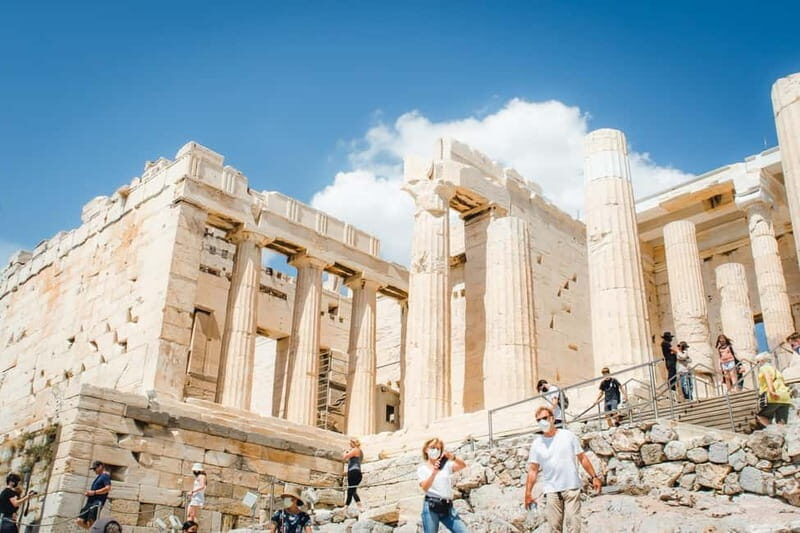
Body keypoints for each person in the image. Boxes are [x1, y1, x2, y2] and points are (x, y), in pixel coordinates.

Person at [524, 406, 602, 533]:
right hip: (551, 491)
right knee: (554, 528)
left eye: (544, 418)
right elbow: (533, 470)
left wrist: (594, 477)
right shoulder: (537, 444)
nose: (542, 422)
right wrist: (528, 493)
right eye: (538, 420)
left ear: (552, 418)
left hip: (571, 488)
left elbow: (582, 458)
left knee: (574, 528)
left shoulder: (568, 436)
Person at [417, 437, 468, 533]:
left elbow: (463, 465)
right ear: (426, 449)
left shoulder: (446, 466)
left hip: (447, 507)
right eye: (432, 447)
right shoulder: (422, 469)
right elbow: (425, 487)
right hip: (431, 506)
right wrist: (434, 473)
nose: (435, 450)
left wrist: (453, 457)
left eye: (438, 448)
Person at [755, 352, 793, 427]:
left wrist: (771, 391)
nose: (757, 364)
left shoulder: (764, 368)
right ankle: (782, 435)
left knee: (761, 416)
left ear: (762, 361)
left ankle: (772, 430)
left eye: (757, 362)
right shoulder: (776, 370)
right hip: (785, 397)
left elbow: (768, 378)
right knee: (782, 422)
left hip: (772, 397)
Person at [75, 460, 111, 530]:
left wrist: (94, 492)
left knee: (91, 521)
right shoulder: (99, 477)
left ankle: (95, 530)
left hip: (97, 502)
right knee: (79, 520)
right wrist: (89, 493)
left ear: (100, 466)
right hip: (90, 502)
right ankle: (95, 530)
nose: (94, 471)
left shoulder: (105, 476)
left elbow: (108, 488)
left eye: (95, 469)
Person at [342, 438, 364, 510]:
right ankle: (353, 505)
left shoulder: (355, 450)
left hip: (353, 472)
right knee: (352, 490)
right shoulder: (360, 451)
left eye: (350, 443)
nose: (349, 445)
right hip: (357, 472)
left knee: (351, 489)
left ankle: (348, 506)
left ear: (353, 443)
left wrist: (345, 452)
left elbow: (344, 457)